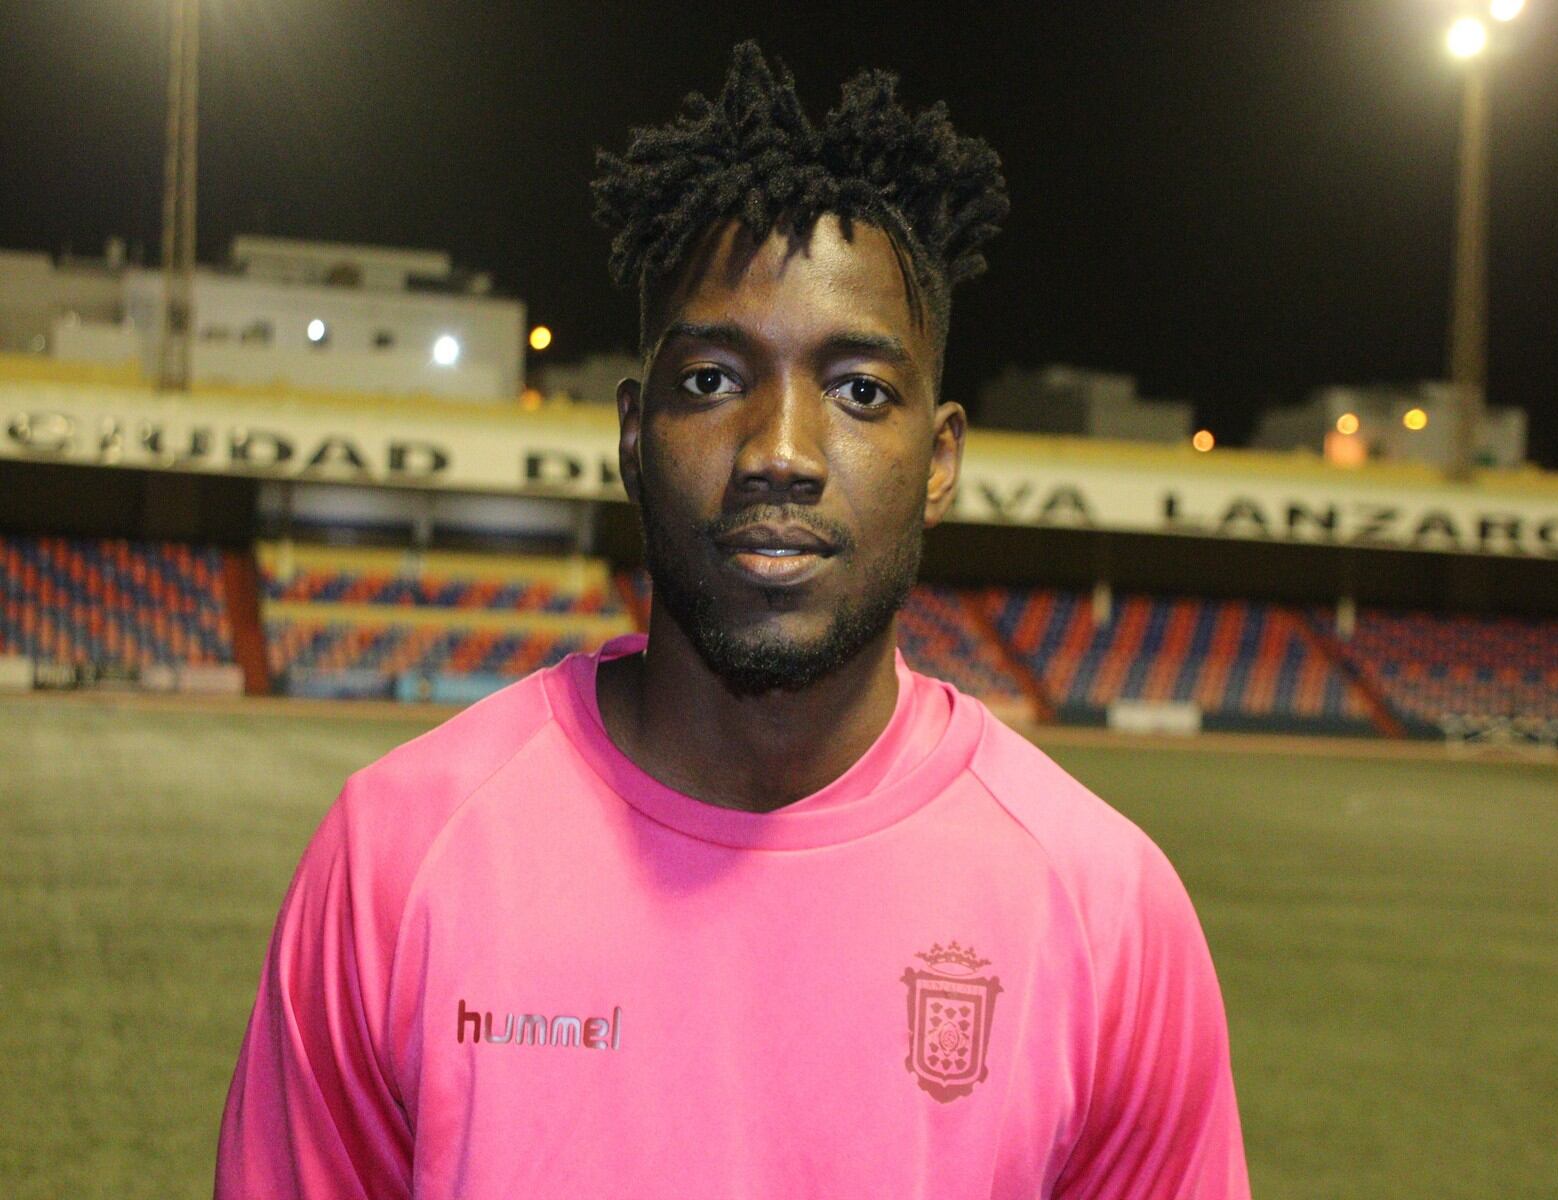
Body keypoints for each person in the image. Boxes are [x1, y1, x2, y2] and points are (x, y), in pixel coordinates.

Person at [216, 42, 1250, 1199]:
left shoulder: (1106, 910)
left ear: (941, 459)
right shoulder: (396, 860)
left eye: (860, 390)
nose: (782, 454)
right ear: (630, 433)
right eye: (711, 379)